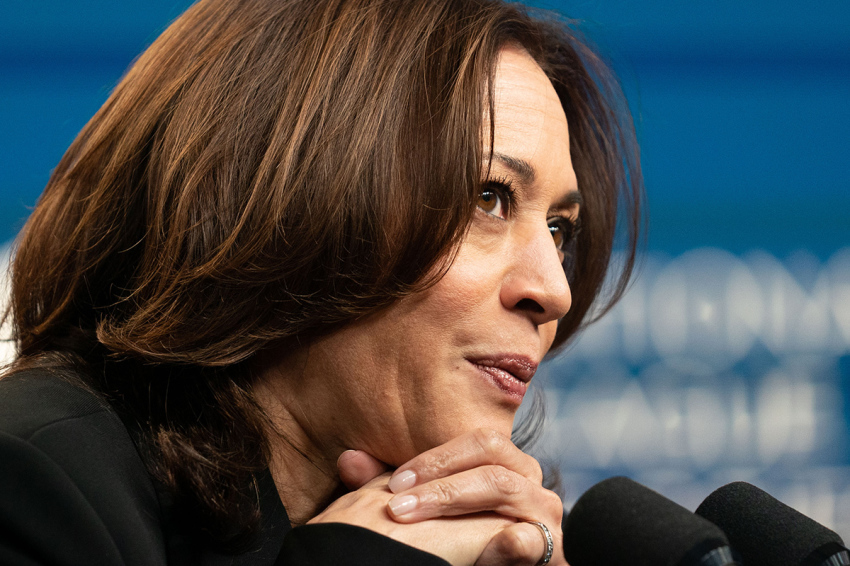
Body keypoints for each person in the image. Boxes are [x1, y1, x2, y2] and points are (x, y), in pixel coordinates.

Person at [0, 0, 642, 564]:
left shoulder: (469, 542)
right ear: (285, 200)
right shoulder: (35, 485)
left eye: (560, 229)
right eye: (488, 197)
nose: (553, 289)